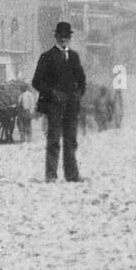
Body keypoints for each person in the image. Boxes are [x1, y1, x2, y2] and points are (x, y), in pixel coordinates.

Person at [31, 20, 86, 183]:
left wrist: (78, 94)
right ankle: (51, 175)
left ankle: (72, 175)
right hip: (54, 106)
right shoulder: (47, 57)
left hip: (71, 106)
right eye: (61, 36)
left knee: (71, 141)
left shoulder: (74, 57)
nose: (63, 39)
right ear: (56, 37)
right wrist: (52, 92)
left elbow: (82, 80)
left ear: (69, 38)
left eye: (66, 36)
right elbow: (36, 82)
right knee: (54, 140)